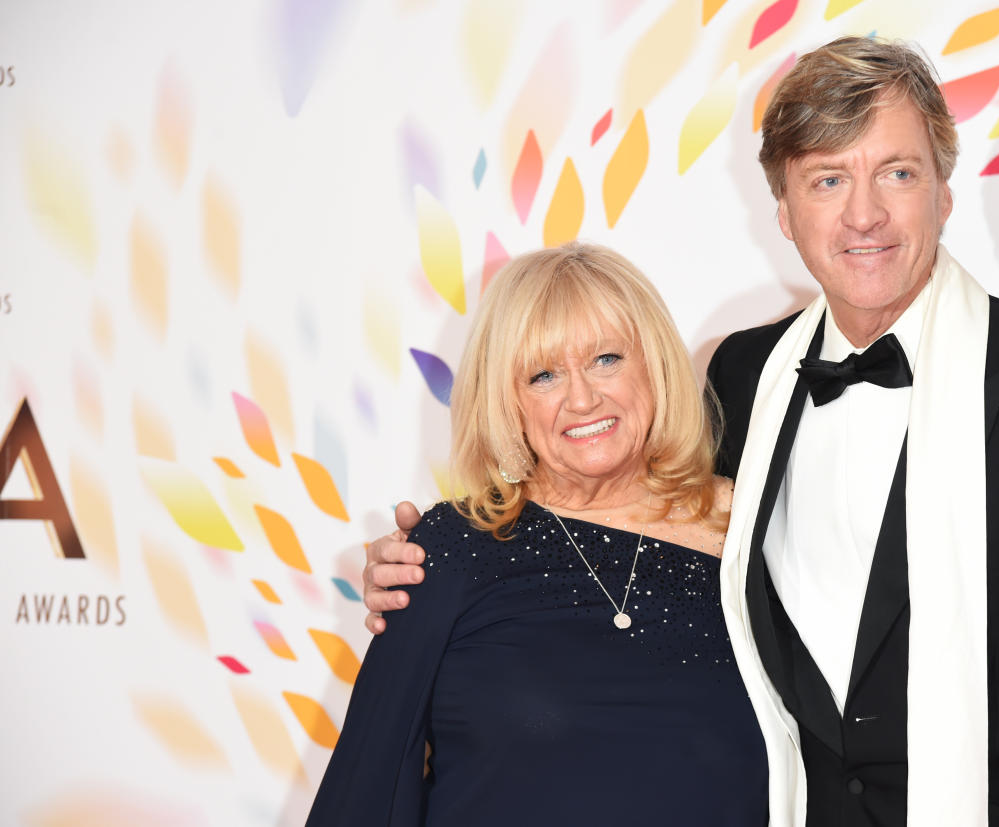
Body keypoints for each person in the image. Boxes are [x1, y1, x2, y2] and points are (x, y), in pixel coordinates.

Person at [363, 37, 999, 826]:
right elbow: (637, 536)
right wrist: (433, 572)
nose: (863, 217)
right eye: (826, 180)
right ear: (782, 210)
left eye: (895, 173)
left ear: (944, 190)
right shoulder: (742, 378)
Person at [308, 243, 767, 825]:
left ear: (654, 364)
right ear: (508, 401)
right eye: (543, 375)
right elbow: (369, 782)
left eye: (607, 358)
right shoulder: (449, 550)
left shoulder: (750, 528)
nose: (582, 398)